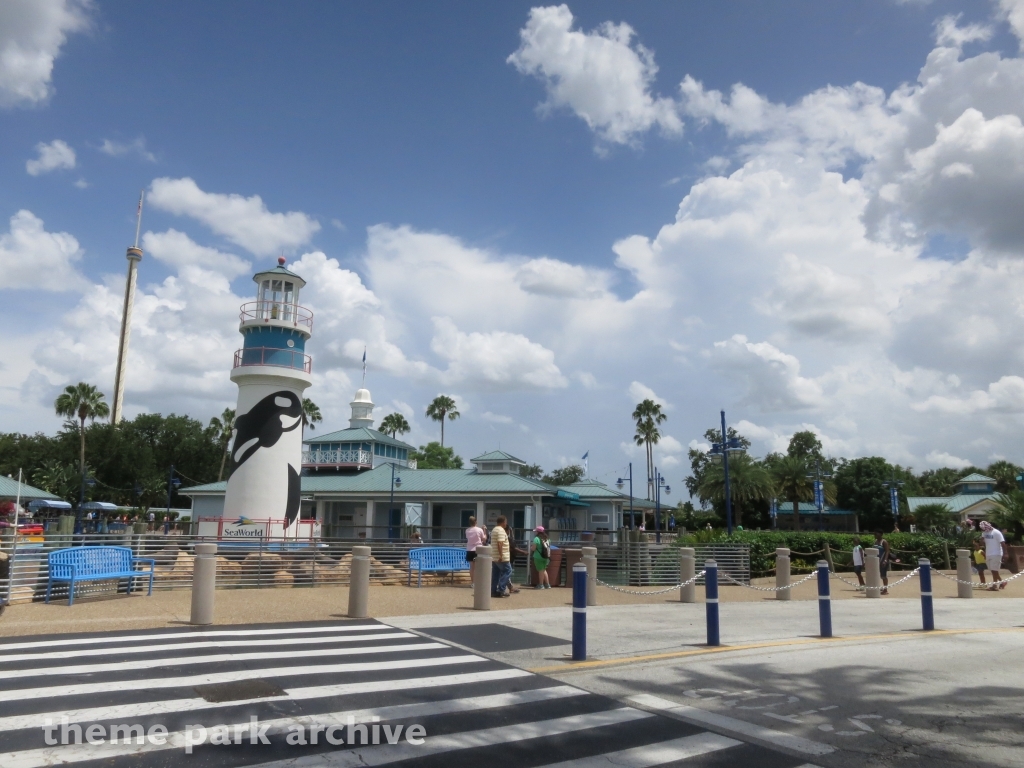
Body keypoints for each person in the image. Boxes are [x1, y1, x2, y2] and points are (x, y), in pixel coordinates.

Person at [980, 521, 1009, 591]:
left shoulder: (996, 532)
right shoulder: (984, 533)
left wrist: (1005, 553)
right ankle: (1002, 582)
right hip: (988, 553)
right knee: (992, 570)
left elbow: (1002, 543)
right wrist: (981, 540)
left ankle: (994, 586)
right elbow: (982, 543)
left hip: (996, 553)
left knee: (994, 569)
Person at [490, 515, 512, 597]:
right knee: (508, 571)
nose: (506, 524)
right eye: (505, 522)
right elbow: (500, 543)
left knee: (496, 574)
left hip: (494, 556)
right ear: (503, 522)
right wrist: (501, 555)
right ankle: (501, 589)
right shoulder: (501, 530)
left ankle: (493, 590)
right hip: (502, 557)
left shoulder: (494, 530)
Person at [465, 516, 485, 588]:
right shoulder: (479, 530)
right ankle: (479, 582)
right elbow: (484, 539)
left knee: (472, 567)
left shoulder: (467, 530)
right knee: (478, 567)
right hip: (478, 549)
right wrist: (484, 530)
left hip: (470, 549)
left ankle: (473, 582)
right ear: (476, 522)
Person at [874, 530, 892, 595]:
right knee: (878, 575)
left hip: (883, 561)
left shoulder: (884, 542)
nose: (875, 535)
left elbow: (887, 551)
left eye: (877, 534)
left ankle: (885, 589)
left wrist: (885, 560)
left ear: (881, 534)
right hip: (876, 561)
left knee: (883, 575)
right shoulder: (875, 542)